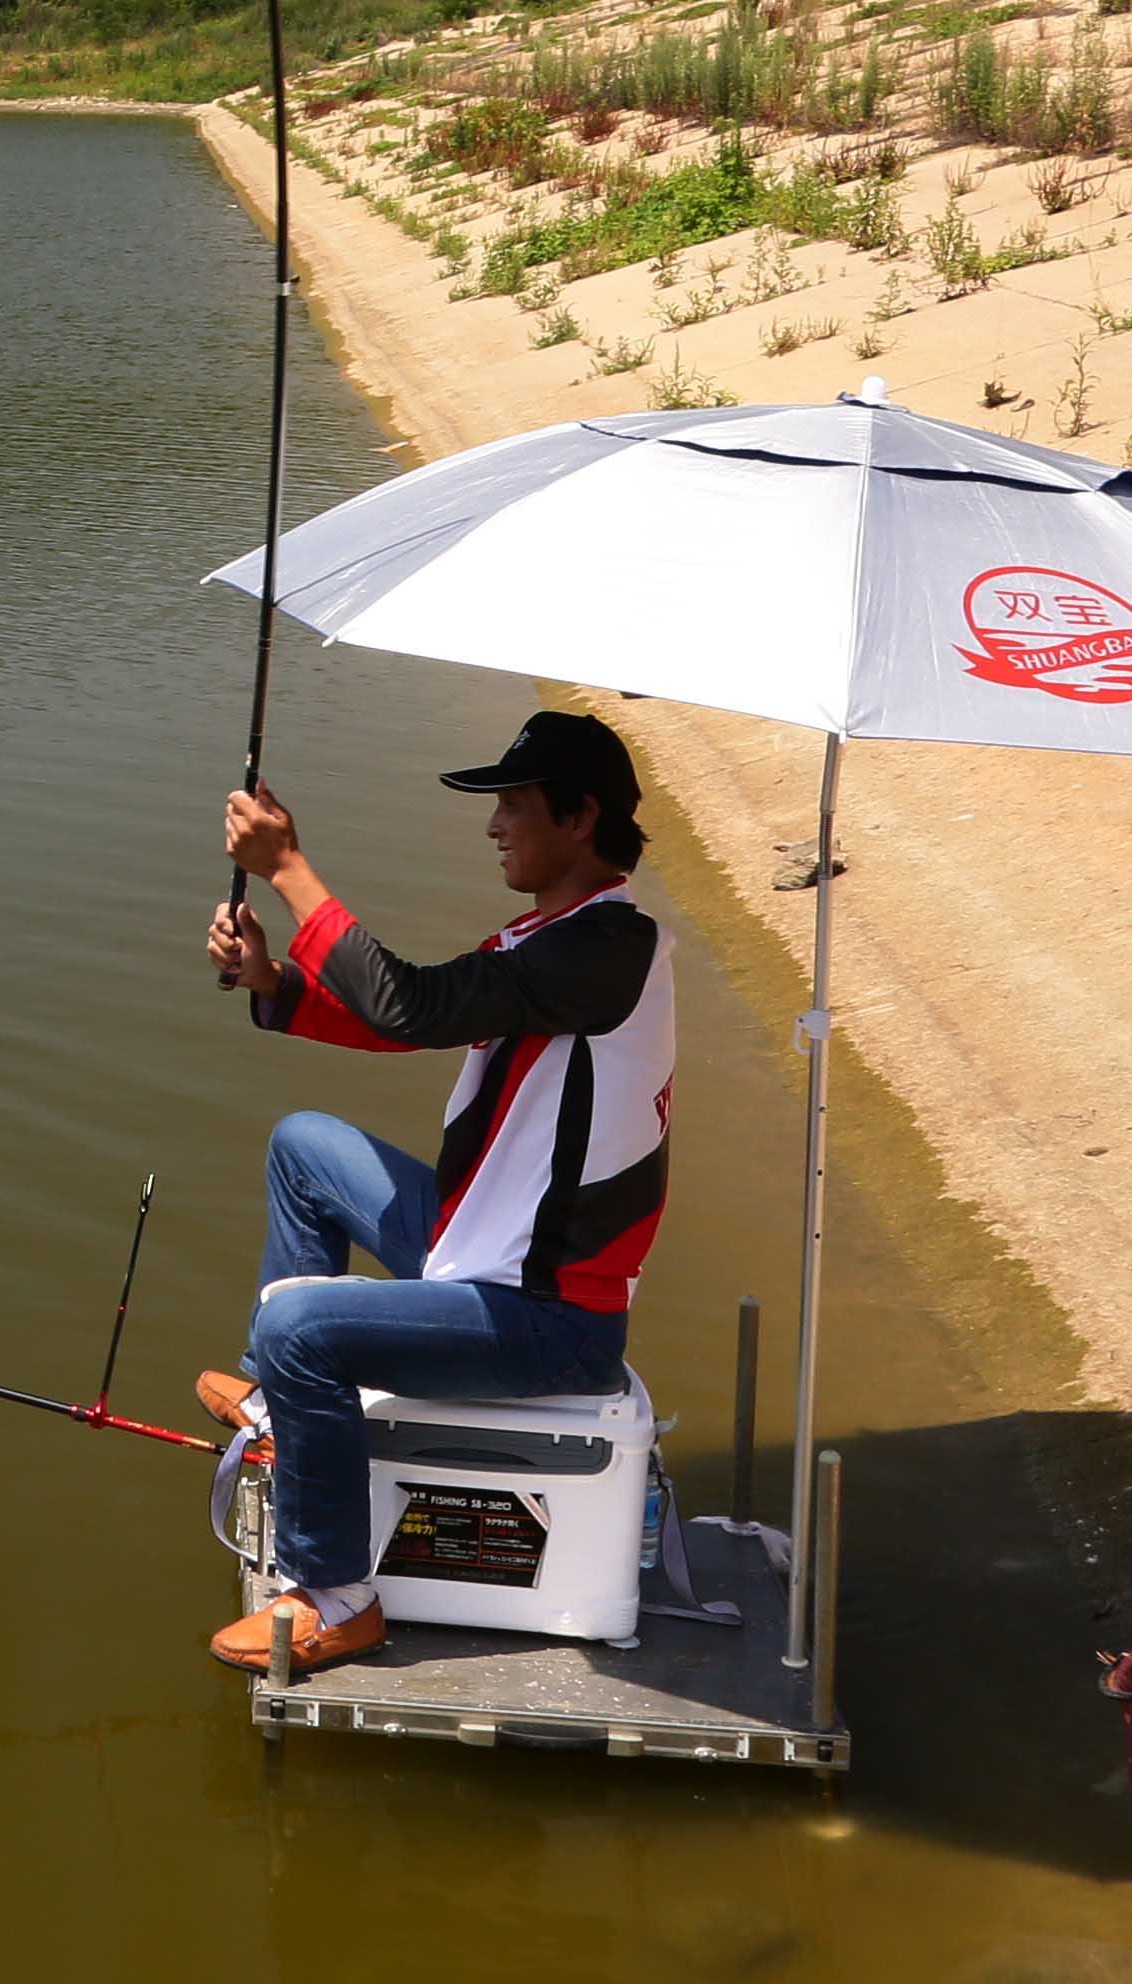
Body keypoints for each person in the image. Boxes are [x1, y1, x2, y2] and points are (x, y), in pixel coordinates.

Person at [189, 707, 674, 1676]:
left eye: (514, 805)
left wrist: (289, 867)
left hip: (546, 1316)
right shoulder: (559, 940)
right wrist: (274, 981)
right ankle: (282, 1410)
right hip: (484, 1250)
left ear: (578, 818)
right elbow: (414, 1017)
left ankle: (337, 1594)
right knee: (304, 1147)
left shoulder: (606, 949)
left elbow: (410, 1003)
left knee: (303, 1331)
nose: (495, 825)